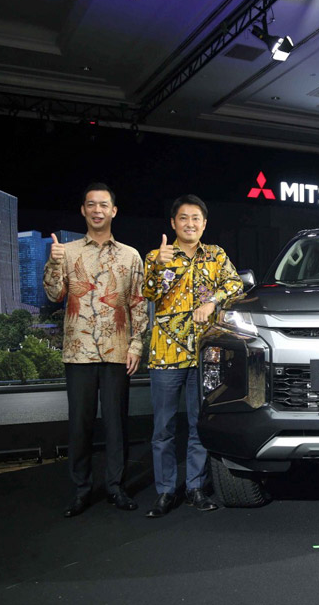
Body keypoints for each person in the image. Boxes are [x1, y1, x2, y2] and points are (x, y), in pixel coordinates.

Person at [43, 184, 148, 518]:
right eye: (91, 205)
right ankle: (82, 489)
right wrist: (53, 263)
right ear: (83, 210)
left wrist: (136, 344)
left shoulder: (131, 255)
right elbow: (54, 295)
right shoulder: (67, 251)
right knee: (80, 425)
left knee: (116, 425)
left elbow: (138, 303)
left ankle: (116, 487)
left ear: (113, 211)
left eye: (104, 205)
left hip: (117, 351)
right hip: (79, 352)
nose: (97, 210)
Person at [142, 194, 243, 517]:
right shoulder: (157, 256)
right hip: (166, 354)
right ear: (173, 223)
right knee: (163, 427)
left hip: (205, 354)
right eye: (183, 218)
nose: (190, 224)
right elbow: (148, 293)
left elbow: (235, 285)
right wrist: (158, 265)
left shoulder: (216, 255)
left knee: (199, 424)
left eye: (195, 218)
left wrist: (212, 301)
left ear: (204, 224)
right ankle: (165, 491)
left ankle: (195, 487)